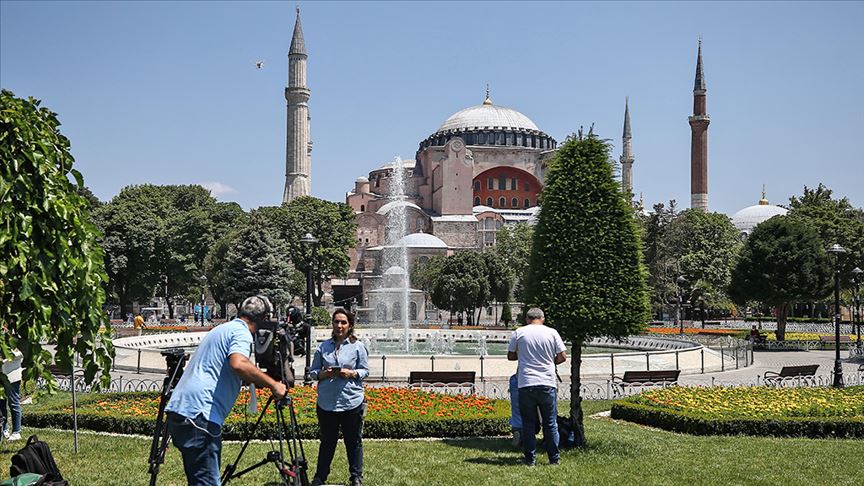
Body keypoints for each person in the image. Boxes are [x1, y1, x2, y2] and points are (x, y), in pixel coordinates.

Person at [165, 295, 287, 486]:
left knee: (198, 480)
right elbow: (238, 363)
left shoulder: (222, 329)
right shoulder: (241, 333)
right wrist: (274, 384)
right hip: (201, 415)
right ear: (262, 318)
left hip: (181, 412)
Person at [309, 308, 369, 486]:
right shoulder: (323, 346)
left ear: (350, 325)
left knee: (353, 441)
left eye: (343, 322)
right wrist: (324, 374)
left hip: (351, 401)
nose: (339, 325)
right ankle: (320, 476)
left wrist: (351, 373)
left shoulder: (357, 346)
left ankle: (356, 476)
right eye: (336, 322)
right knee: (327, 442)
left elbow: (365, 370)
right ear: (332, 324)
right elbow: (313, 372)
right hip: (327, 403)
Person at [507, 307, 567, 466]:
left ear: (527, 319)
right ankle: (554, 459)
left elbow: (510, 356)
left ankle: (530, 460)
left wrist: (525, 355)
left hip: (526, 383)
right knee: (550, 422)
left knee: (528, 423)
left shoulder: (519, 332)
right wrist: (548, 362)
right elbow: (562, 356)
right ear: (543, 318)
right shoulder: (552, 332)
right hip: (547, 382)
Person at [0, 353, 23, 441]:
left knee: (13, 402)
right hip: (1, 374)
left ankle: (16, 432)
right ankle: (4, 429)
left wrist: (5, 356)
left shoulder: (17, 339)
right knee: (1, 403)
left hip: (11, 375)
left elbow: (21, 354)